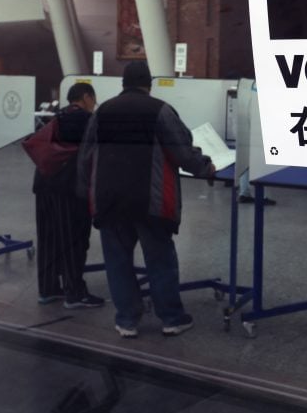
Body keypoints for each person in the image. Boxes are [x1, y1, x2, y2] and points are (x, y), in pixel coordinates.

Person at [79, 61, 215, 339]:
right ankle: (171, 318)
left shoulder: (102, 112)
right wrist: (205, 167)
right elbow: (182, 151)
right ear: (148, 84)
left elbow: (86, 156)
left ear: (123, 83)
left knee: (117, 261)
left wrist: (87, 193)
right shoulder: (160, 110)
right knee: (160, 259)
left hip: (110, 201)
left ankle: (127, 320)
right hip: (149, 200)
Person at [34, 83, 105, 310]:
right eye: (93, 100)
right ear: (85, 97)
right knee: (73, 239)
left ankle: (48, 288)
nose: (94, 105)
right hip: (68, 188)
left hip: (43, 184)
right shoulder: (85, 120)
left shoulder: (57, 117)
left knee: (49, 238)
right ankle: (74, 293)